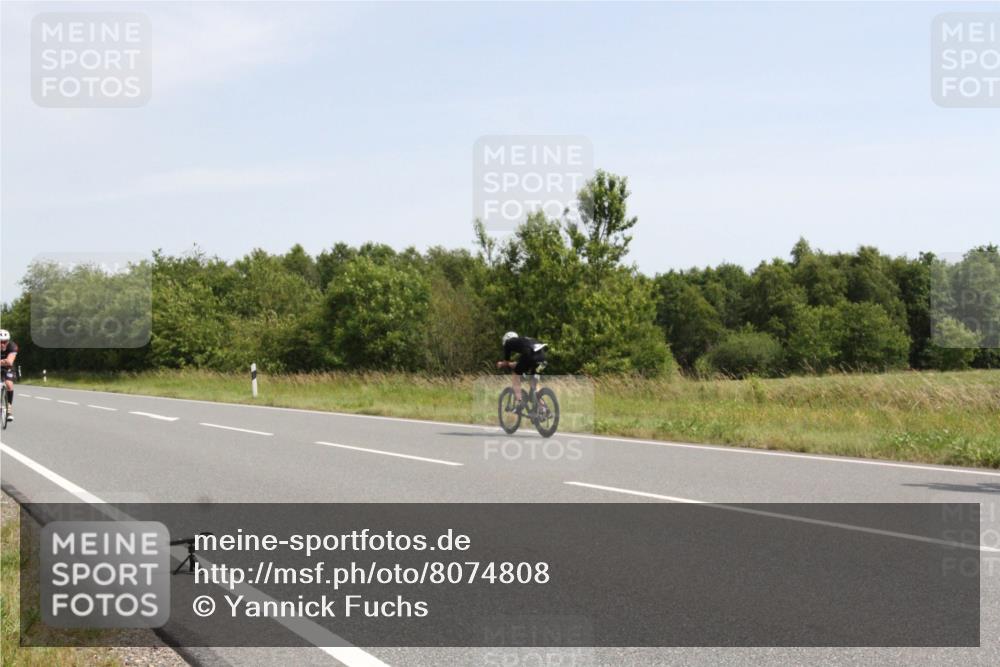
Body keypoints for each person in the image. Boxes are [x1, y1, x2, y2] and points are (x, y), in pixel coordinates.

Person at [496, 331, 547, 410]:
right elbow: (523, 361)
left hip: (530, 357)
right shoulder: (526, 341)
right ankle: (543, 408)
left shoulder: (508, 343)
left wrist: (501, 364)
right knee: (533, 383)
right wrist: (514, 364)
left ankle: (520, 402)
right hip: (542, 358)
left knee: (515, 374)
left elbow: (507, 362)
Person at [0, 329, 17, 421]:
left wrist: (6, 362)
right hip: (3, 364)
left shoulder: (12, 346)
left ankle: (9, 410)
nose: (2, 344)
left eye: (5, 342)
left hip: (8, 368)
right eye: (0, 342)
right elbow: (6, 361)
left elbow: (9, 362)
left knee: (9, 384)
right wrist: (4, 361)